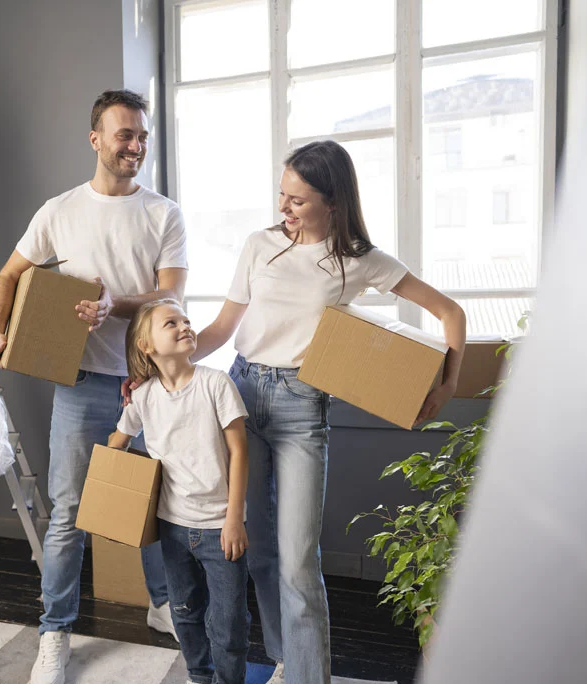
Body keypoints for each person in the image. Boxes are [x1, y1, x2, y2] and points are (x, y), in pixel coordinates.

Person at [190, 140, 467, 684]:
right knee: (261, 552)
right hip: (243, 393)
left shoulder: (360, 260)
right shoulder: (259, 245)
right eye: (281, 195)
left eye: (297, 200)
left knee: (297, 562)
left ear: (332, 201)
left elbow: (449, 312)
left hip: (302, 407)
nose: (283, 209)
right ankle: (284, 661)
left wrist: (450, 380)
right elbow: (222, 330)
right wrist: (162, 366)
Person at [0, 89, 188, 684]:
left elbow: (170, 297)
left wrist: (113, 305)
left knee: (155, 501)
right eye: (125, 135)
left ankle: (161, 606)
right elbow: (7, 278)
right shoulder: (59, 212)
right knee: (71, 514)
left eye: (143, 136)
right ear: (95, 139)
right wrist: (0, 331)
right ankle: (55, 633)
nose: (136, 146)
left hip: (147, 383)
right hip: (78, 384)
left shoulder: (163, 213)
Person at [111, 298, 250, 684]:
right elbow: (116, 443)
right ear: (147, 346)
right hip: (171, 527)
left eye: (186, 320)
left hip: (220, 528)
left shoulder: (216, 384)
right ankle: (198, 676)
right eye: (171, 323)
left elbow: (239, 453)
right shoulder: (143, 397)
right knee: (185, 611)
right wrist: (111, 480)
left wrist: (234, 519)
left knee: (229, 622)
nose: (185, 326)